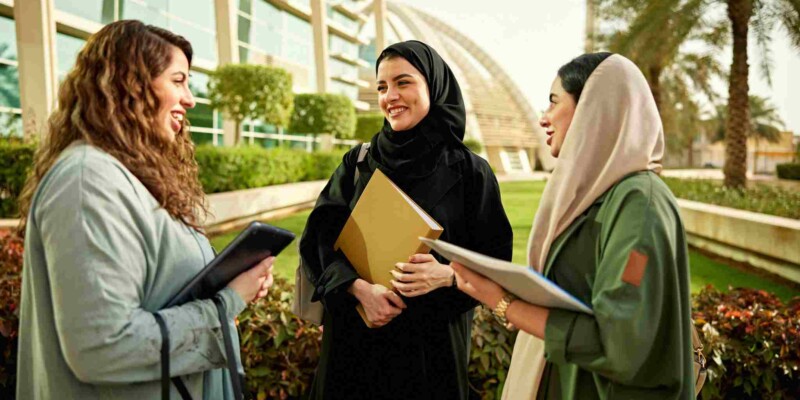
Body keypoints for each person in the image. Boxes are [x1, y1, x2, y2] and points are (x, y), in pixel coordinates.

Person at [16, 20, 274, 400]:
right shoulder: (89, 181)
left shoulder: (130, 177)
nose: (190, 99)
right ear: (132, 84)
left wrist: (230, 284)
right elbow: (102, 347)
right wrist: (228, 301)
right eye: (178, 80)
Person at [452, 53, 695, 399]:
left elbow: (620, 341)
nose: (543, 119)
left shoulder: (639, 207)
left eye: (554, 103)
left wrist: (502, 301)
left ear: (595, 111)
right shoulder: (595, 198)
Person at [298, 40, 513, 399]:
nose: (390, 96)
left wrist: (447, 275)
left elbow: (496, 261)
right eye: (382, 87)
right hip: (353, 353)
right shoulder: (359, 163)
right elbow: (317, 241)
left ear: (433, 85)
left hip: (430, 359)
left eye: (403, 82)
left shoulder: (470, 172)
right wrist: (357, 289)